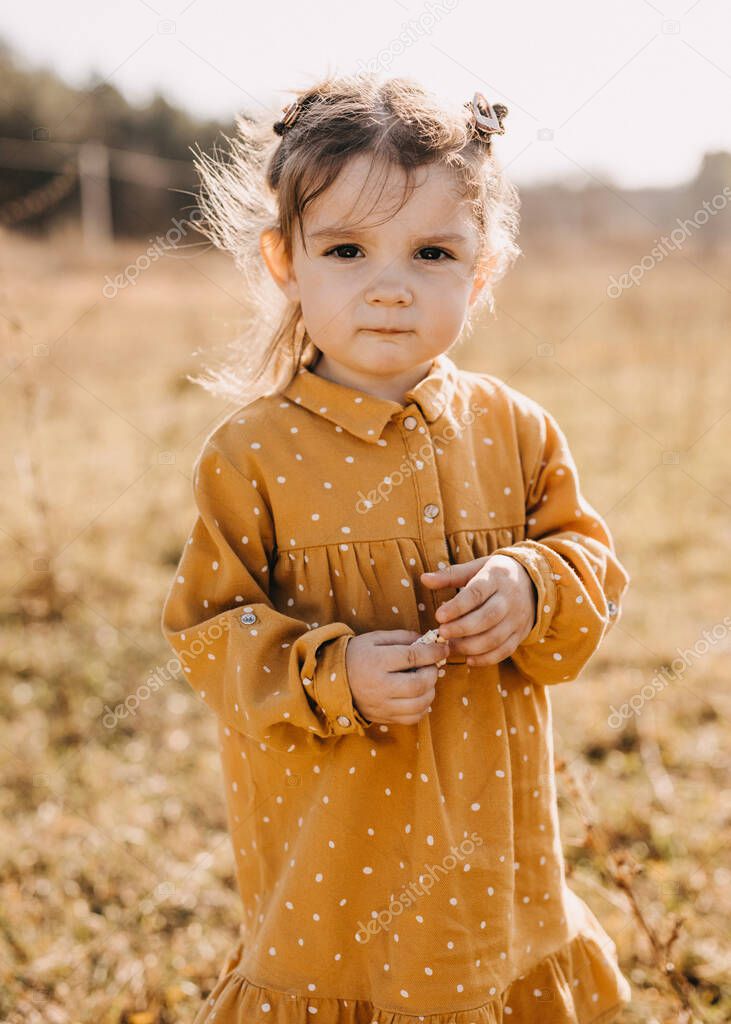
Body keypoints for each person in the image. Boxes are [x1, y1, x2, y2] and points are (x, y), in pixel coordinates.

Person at [161, 72, 633, 1023]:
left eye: (431, 252)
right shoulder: (251, 454)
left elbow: (588, 563)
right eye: (345, 248)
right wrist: (330, 671)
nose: (389, 285)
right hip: (335, 863)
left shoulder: (515, 429)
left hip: (496, 851)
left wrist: (531, 584)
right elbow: (211, 635)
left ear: (482, 269)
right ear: (284, 263)